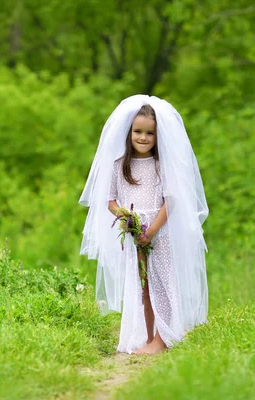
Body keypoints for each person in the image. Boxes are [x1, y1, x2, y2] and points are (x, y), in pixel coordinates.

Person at [79, 95, 209, 354]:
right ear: (129, 133)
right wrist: (128, 220)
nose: (143, 138)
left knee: (162, 284)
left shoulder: (162, 166)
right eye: (138, 132)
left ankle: (162, 338)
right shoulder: (119, 167)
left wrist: (151, 231)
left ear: (157, 136)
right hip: (134, 233)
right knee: (143, 287)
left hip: (159, 233)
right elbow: (109, 200)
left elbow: (170, 201)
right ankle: (149, 337)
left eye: (150, 133)